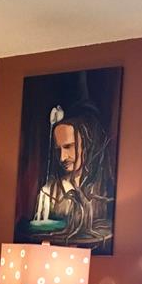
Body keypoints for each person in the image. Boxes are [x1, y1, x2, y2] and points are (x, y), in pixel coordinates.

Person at [31, 105, 115, 246]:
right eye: (58, 150)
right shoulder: (48, 192)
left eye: (68, 146)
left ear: (87, 144)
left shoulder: (105, 190)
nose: (62, 157)